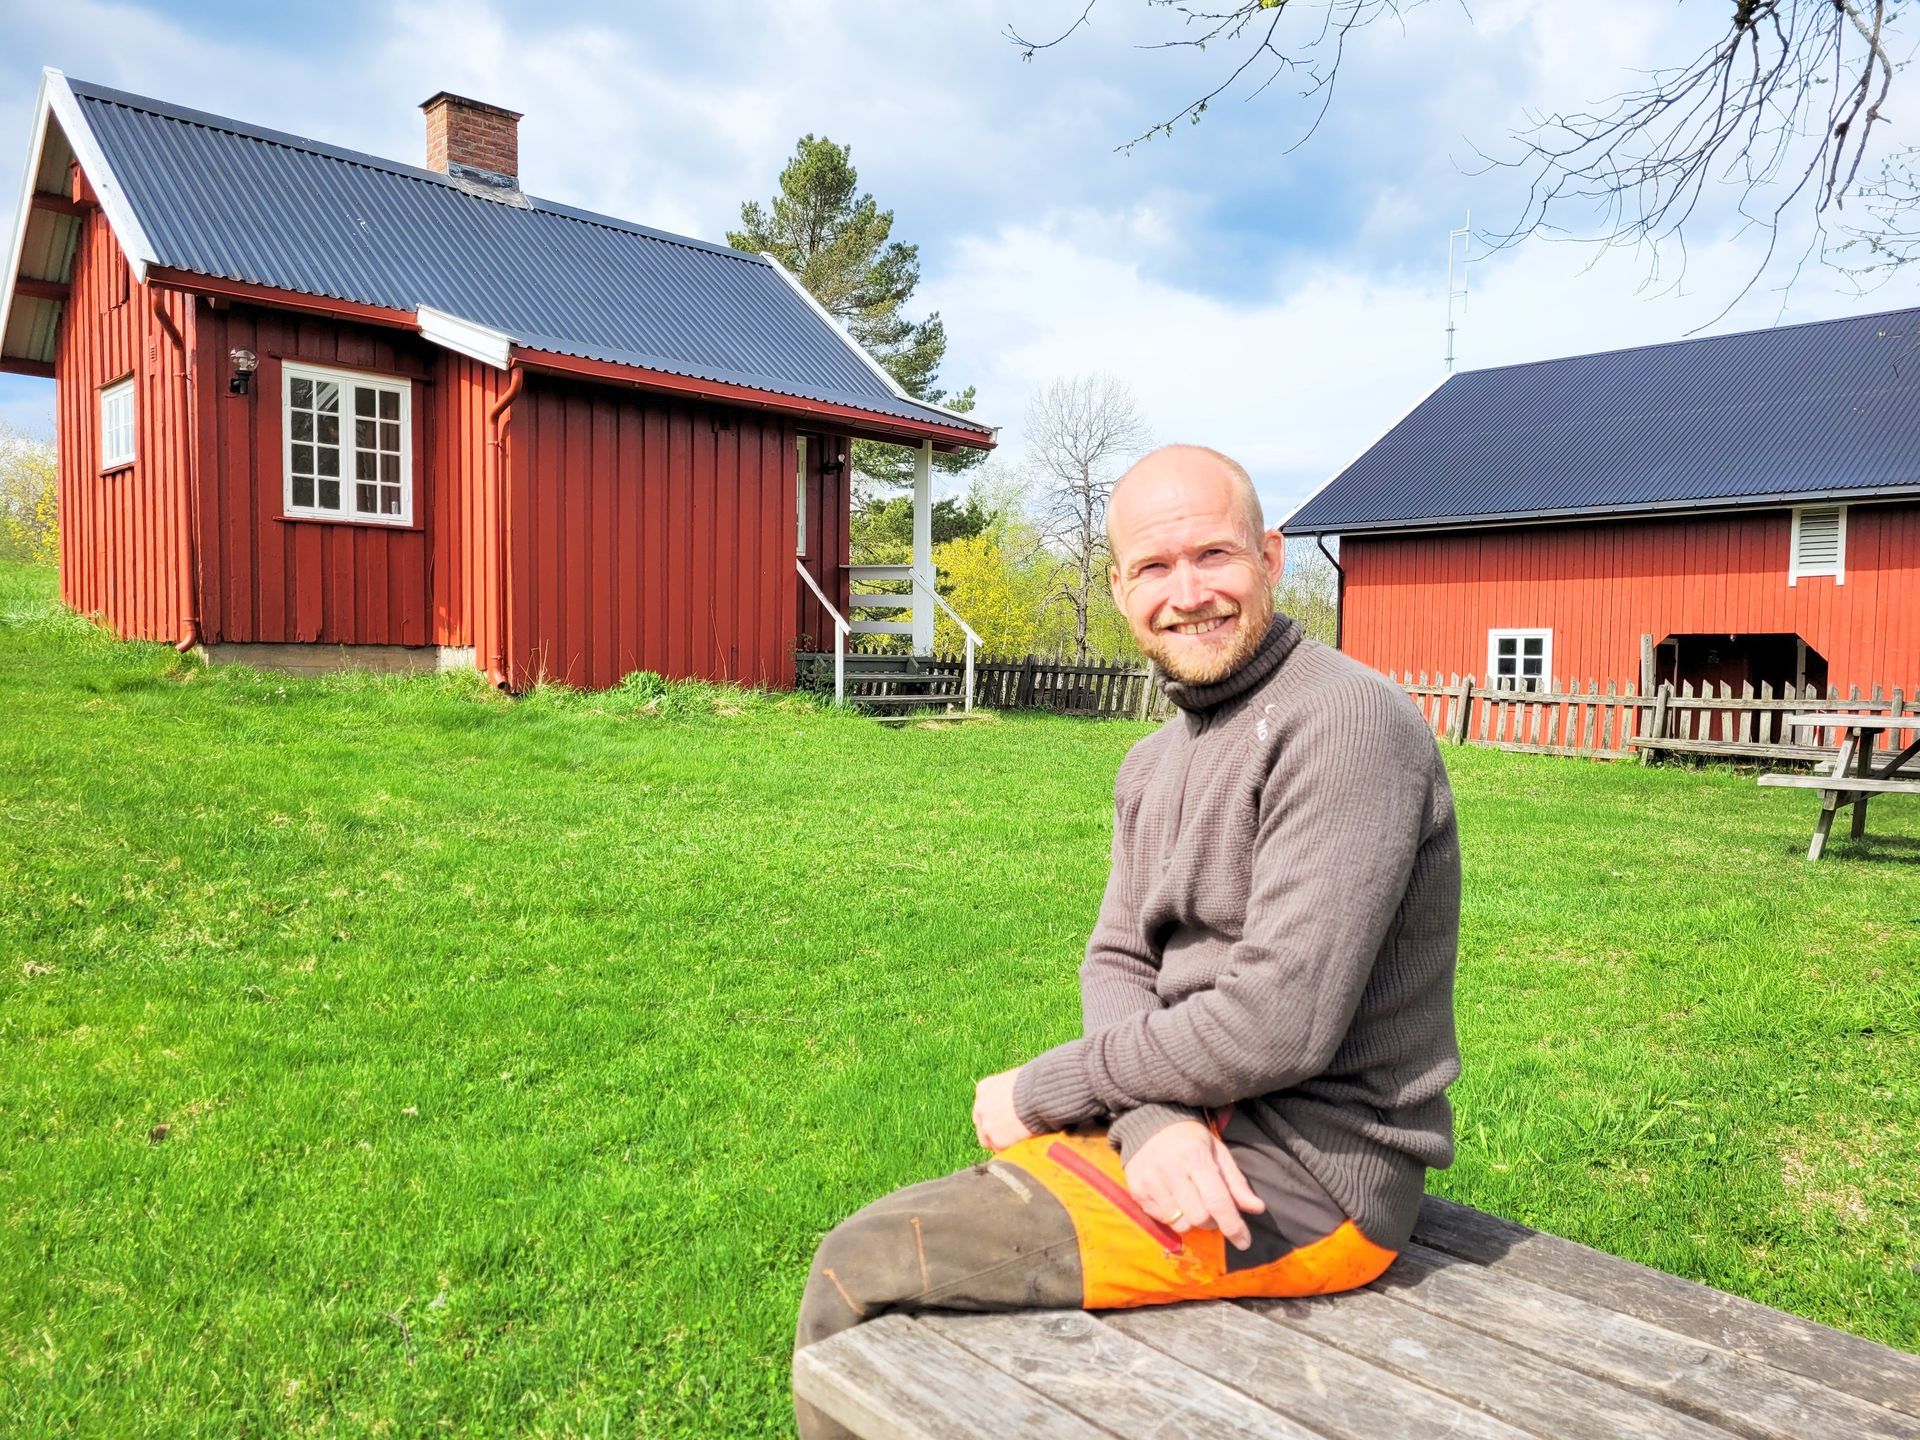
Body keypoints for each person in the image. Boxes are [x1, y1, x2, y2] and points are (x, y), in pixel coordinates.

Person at [791, 444, 1461, 1439]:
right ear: (1117, 586)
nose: (1187, 594)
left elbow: (1278, 1025)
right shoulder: (1153, 762)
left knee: (865, 1271)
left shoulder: (1343, 723)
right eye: (1154, 568)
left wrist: (1042, 1089)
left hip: (1306, 1180)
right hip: (1195, 1129)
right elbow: (1115, 962)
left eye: (1214, 557)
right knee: (901, 1261)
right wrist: (1148, 1120)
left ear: (1272, 559)